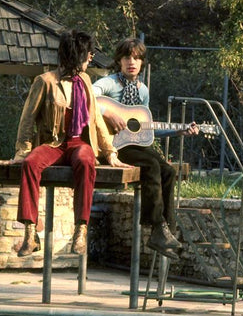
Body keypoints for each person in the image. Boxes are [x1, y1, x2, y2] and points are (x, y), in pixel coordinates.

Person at [12, 29, 130, 258]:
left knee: (86, 161)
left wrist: (110, 153)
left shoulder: (85, 81)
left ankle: (80, 230)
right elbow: (26, 121)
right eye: (88, 52)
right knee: (30, 163)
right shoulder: (45, 82)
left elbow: (95, 119)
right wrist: (22, 151)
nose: (91, 57)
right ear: (75, 55)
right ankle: (30, 232)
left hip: (78, 144)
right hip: (53, 144)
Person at [92, 37, 199, 260]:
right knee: (151, 165)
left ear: (142, 63)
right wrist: (108, 112)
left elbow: (143, 127)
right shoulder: (109, 83)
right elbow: (87, 96)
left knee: (168, 170)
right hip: (111, 147)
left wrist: (178, 131)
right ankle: (158, 228)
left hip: (134, 144)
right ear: (119, 60)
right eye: (127, 57)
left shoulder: (143, 91)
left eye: (137, 58)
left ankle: (165, 231)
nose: (132, 62)